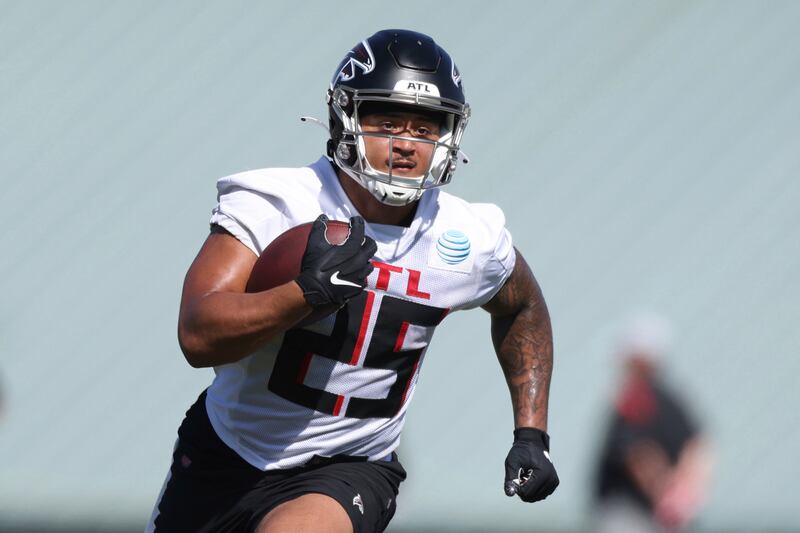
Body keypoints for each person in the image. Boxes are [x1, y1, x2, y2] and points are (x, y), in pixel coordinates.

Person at [147, 29, 558, 533]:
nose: (406, 144)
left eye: (425, 129)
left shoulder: (467, 235)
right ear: (347, 118)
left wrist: (531, 432)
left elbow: (522, 306)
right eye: (387, 122)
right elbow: (197, 333)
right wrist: (302, 295)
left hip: (349, 467)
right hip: (228, 451)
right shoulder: (278, 202)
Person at [592, 313, 712, 533]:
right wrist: (682, 495)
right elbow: (698, 446)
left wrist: (668, 494)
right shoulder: (670, 400)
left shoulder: (636, 398)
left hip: (633, 513)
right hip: (654, 514)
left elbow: (637, 453)